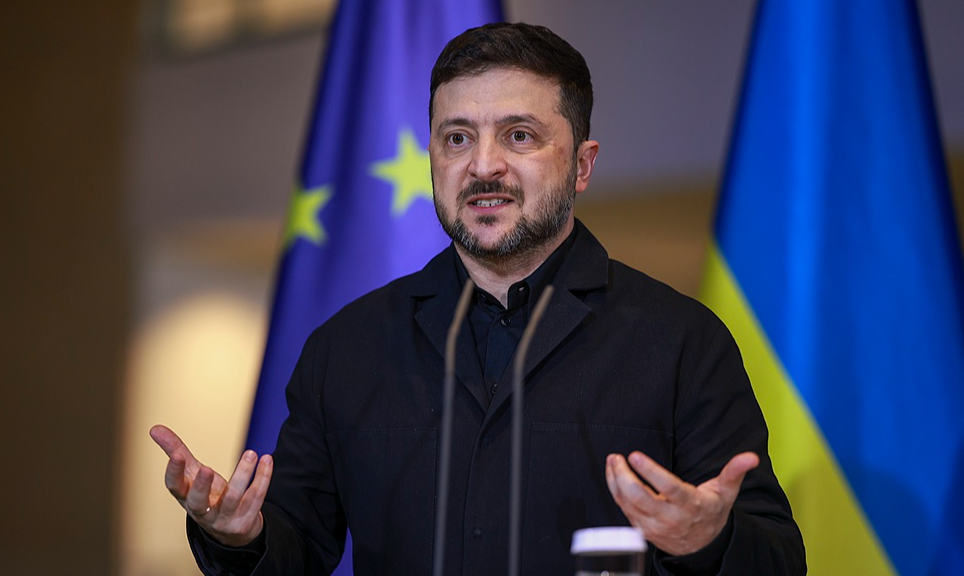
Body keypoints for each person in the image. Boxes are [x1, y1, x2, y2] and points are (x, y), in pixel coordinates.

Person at [152, 22, 806, 576]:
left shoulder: (680, 340)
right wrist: (240, 536)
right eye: (457, 137)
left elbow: (779, 557)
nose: (483, 165)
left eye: (518, 135)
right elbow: (296, 549)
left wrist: (708, 540)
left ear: (582, 164)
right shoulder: (346, 347)